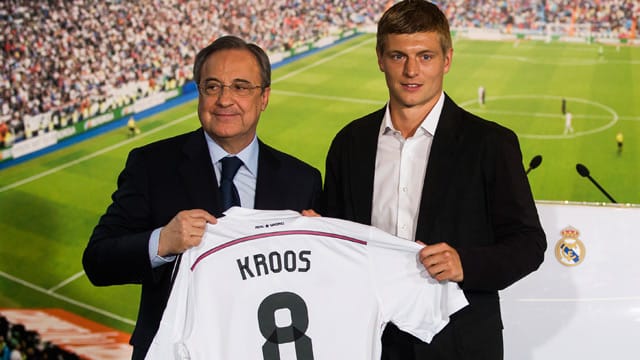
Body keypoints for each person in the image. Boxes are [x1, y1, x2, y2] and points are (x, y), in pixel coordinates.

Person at [321, 1, 547, 359]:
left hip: (457, 342)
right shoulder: (350, 142)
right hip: (367, 340)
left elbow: (529, 244)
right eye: (398, 56)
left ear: (447, 59)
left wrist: (465, 264)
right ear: (380, 58)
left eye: (425, 56)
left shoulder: (490, 143)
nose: (411, 70)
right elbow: (336, 237)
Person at [82, 35, 322, 359]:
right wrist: (162, 242)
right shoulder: (152, 165)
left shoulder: (301, 180)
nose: (224, 100)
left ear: (263, 97)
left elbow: (319, 286)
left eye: (240, 87)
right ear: (199, 93)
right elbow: (97, 261)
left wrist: (320, 248)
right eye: (212, 87)